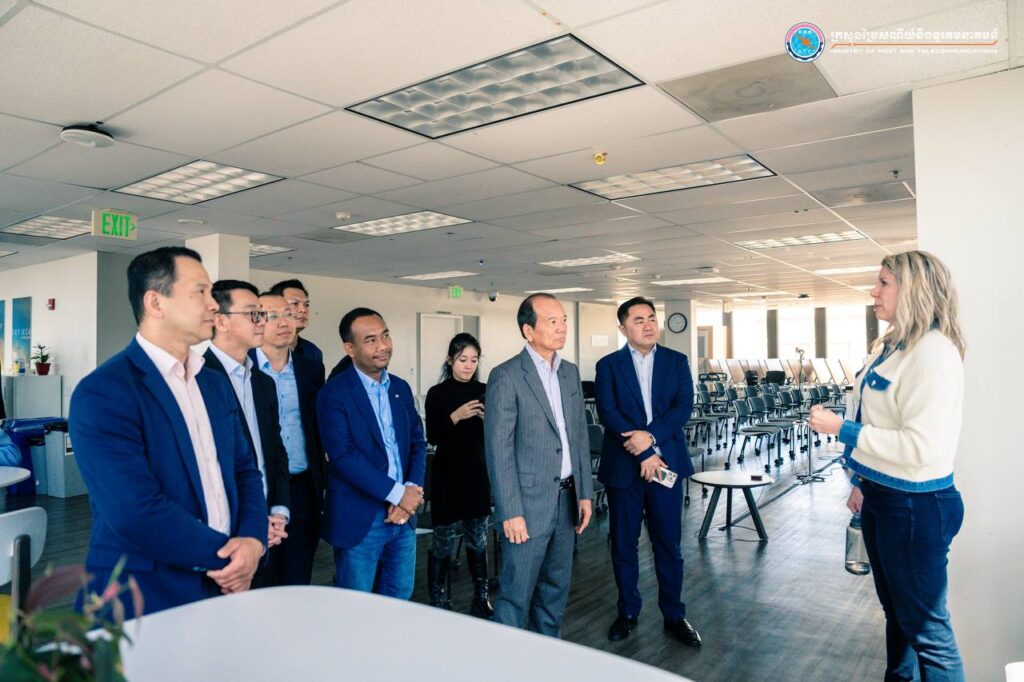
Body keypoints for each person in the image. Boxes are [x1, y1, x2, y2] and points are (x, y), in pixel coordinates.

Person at [68, 247, 266, 617]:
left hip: (224, 586)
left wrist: (254, 542)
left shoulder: (213, 384)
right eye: (200, 292)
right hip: (143, 594)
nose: (213, 305)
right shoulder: (105, 391)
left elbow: (245, 471)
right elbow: (134, 510)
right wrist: (232, 559)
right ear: (155, 302)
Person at [809, 250, 967, 681]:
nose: (873, 291)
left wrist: (841, 429)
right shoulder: (894, 346)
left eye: (883, 283)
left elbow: (920, 447)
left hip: (915, 506)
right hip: (884, 496)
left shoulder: (932, 353)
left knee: (929, 634)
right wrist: (861, 480)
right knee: (898, 614)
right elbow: (882, 420)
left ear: (912, 290)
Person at [485, 293, 593, 637]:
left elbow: (578, 437)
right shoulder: (506, 376)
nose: (561, 328)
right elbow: (499, 450)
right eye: (552, 322)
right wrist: (510, 511)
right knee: (515, 595)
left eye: (563, 320)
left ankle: (547, 656)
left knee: (554, 591)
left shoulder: (569, 372)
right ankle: (507, 660)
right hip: (526, 506)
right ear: (528, 331)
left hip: (567, 499)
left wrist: (585, 493)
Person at [594, 297, 700, 647]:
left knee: (668, 544)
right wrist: (642, 452)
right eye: (638, 320)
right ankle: (627, 612)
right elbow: (608, 412)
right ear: (623, 328)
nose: (648, 325)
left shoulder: (676, 361)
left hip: (665, 466)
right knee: (623, 545)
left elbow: (682, 408)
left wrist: (650, 440)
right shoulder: (608, 366)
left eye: (652, 318)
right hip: (624, 470)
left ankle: (674, 615)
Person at [317, 307, 426, 599]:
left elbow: (417, 442)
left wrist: (410, 491)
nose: (383, 346)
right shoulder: (334, 393)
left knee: (399, 597)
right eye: (371, 340)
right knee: (356, 604)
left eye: (385, 335)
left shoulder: (399, 388)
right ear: (350, 348)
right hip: (361, 517)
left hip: (403, 516)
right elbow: (343, 457)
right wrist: (398, 493)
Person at [205, 279, 291, 586]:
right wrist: (251, 522)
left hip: (269, 524)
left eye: (262, 314)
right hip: (224, 532)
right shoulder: (198, 379)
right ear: (220, 321)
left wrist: (278, 511)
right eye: (253, 314)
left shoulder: (262, 382)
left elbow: (275, 452)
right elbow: (209, 466)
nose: (262, 322)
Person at [253, 291, 326, 585]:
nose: (284, 322)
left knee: (298, 576)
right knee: (259, 577)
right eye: (272, 316)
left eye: (288, 313)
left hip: (303, 488)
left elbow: (315, 428)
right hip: (258, 490)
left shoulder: (311, 369)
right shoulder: (242, 369)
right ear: (256, 321)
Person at [424, 333, 492, 617]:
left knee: (478, 538)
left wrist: (489, 421)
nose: (468, 365)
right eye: (463, 359)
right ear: (450, 360)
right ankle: (438, 598)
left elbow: (496, 437)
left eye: (474, 360)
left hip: (477, 474)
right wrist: (456, 416)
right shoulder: (437, 393)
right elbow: (433, 436)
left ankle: (481, 596)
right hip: (447, 476)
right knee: (443, 539)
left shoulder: (485, 390)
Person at [269, 279, 322, 364]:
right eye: (295, 303)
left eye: (306, 305)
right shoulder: (254, 349)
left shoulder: (313, 352)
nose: (303, 310)